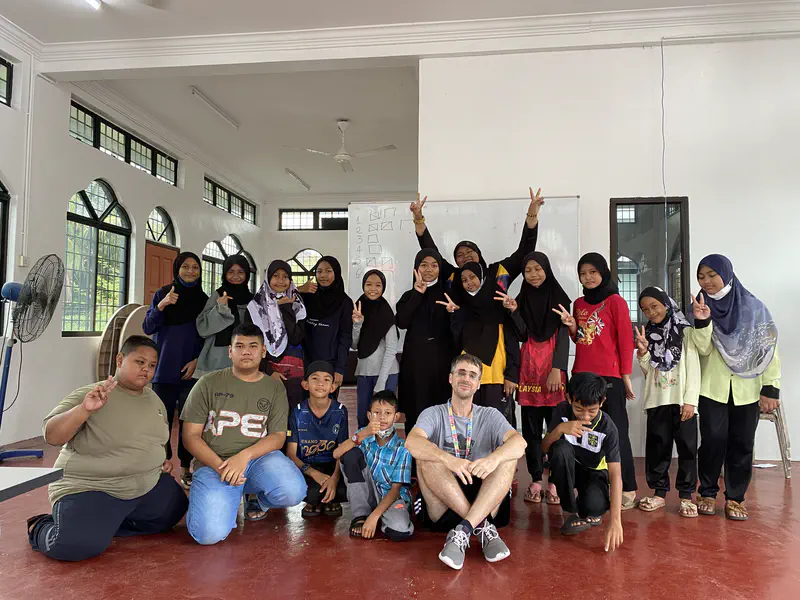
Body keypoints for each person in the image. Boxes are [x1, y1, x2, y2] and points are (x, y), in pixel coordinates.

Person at [27, 336, 188, 562]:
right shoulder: (94, 393)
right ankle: (41, 526)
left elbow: (152, 438)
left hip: (141, 485)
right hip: (93, 486)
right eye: (139, 362)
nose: (146, 370)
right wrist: (84, 410)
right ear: (120, 360)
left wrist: (158, 460)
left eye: (152, 365)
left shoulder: (154, 400)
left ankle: (102, 525)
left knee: (173, 510)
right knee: (71, 545)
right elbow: (52, 435)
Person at [181, 323, 307, 544]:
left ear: (263, 351)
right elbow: (190, 436)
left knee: (293, 491)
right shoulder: (207, 383)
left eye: (252, 346)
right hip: (215, 464)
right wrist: (223, 466)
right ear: (230, 351)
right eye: (239, 346)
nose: (246, 351)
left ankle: (255, 497)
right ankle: (216, 499)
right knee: (208, 536)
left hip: (258, 460)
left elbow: (277, 437)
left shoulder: (274, 387)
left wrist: (244, 457)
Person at [405, 353, 527, 571]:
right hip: (443, 501)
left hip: (486, 501)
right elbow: (411, 442)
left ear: (478, 384)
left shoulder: (490, 415)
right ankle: (482, 529)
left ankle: (464, 529)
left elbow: (520, 444)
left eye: (472, 375)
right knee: (426, 456)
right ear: (450, 378)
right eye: (461, 373)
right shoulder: (433, 413)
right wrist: (448, 460)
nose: (466, 378)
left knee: (508, 457)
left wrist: (493, 459)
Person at [691, 255, 780, 521]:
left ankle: (736, 498)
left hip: (747, 389)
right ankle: (707, 492)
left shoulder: (753, 308)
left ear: (726, 274)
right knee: (712, 441)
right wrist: (703, 321)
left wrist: (770, 388)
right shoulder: (700, 305)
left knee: (742, 443)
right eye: (701, 276)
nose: (706, 282)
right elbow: (702, 348)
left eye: (711, 275)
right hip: (712, 388)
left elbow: (769, 348)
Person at [553, 253, 638, 509]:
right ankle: (590, 483)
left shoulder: (616, 302)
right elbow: (582, 338)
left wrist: (626, 377)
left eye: (592, 272)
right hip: (581, 374)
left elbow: (625, 341)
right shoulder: (579, 303)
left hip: (610, 376)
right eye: (583, 273)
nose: (588, 278)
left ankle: (628, 487)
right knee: (583, 431)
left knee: (617, 432)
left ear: (603, 273)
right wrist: (570, 326)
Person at [501, 251, 570, 505]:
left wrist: (557, 369)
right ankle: (535, 479)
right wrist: (514, 311)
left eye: (537, 269)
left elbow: (564, 335)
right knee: (530, 429)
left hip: (553, 371)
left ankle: (554, 481)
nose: (533, 274)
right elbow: (521, 333)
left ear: (546, 269)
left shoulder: (560, 297)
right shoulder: (523, 298)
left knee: (555, 429)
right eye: (528, 270)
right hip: (529, 368)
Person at [142, 251, 208, 489]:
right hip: (164, 369)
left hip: (190, 371)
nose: (191, 271)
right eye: (186, 267)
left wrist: (197, 361)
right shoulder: (164, 294)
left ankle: (185, 467)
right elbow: (148, 326)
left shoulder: (203, 300)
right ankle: (160, 466)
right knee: (162, 421)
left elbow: (207, 336)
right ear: (177, 269)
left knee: (189, 422)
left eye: (195, 268)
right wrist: (162, 304)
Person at [635, 287, 701, 517]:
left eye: (655, 306)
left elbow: (694, 369)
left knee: (687, 450)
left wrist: (691, 401)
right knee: (657, 449)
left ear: (666, 303)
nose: (651, 312)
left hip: (682, 401)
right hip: (657, 400)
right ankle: (659, 493)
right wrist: (643, 352)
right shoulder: (650, 333)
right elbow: (648, 371)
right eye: (645, 309)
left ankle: (686, 496)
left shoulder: (685, 331)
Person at [541, 372, 624, 552]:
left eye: (592, 411)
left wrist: (616, 520)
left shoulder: (608, 428)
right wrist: (560, 429)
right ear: (569, 398)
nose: (585, 417)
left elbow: (615, 474)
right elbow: (545, 448)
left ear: (602, 402)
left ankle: (588, 509)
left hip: (593, 473)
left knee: (594, 508)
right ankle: (571, 511)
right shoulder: (562, 410)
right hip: (568, 467)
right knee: (560, 449)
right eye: (579, 409)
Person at [408, 187, 544, 288]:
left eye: (469, 252)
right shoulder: (453, 276)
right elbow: (430, 250)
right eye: (460, 255)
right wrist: (418, 219)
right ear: (456, 261)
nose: (465, 256)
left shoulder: (498, 272)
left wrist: (532, 214)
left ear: (479, 254)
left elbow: (525, 251)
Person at [442, 261, 520, 422]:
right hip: (468, 377)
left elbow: (512, 342)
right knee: (468, 423)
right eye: (464, 280)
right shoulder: (462, 307)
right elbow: (457, 343)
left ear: (482, 277)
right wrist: (454, 315)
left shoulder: (500, 305)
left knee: (498, 426)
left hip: (496, 376)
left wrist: (511, 375)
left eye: (472, 277)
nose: (469, 283)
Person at [334, 390, 414, 541]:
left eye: (388, 413)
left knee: (400, 532)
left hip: (391, 497)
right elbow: (337, 454)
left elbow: (396, 489)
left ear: (396, 417)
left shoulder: (403, 448)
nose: (382, 417)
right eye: (377, 412)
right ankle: (360, 515)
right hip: (368, 493)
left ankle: (376, 516)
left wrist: (375, 517)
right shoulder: (363, 436)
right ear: (369, 416)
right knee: (351, 455)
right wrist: (362, 434)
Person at [396, 249, 457, 432]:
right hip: (415, 368)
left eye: (434, 265)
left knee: (442, 418)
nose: (429, 269)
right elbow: (402, 322)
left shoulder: (449, 295)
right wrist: (418, 294)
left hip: (441, 366)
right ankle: (415, 460)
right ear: (416, 269)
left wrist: (454, 314)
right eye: (424, 265)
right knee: (415, 416)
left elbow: (458, 332)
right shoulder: (409, 296)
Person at [286, 361, 349, 518]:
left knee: (344, 490)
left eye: (327, 379)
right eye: (315, 379)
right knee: (311, 494)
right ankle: (316, 500)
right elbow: (291, 455)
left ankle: (332, 498)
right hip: (308, 467)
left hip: (332, 466)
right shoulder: (297, 412)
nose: (321, 383)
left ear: (333, 387)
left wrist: (334, 479)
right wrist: (314, 474)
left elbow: (342, 449)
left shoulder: (340, 411)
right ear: (305, 384)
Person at [248, 259, 307, 405]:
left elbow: (296, 338)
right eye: (276, 276)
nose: (281, 281)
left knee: (292, 411)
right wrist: (268, 371)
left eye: (285, 276)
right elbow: (250, 343)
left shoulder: (297, 304)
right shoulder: (256, 307)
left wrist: (286, 308)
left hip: (293, 372)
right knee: (266, 410)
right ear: (268, 278)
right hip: (265, 369)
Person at [298, 255, 353, 399]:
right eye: (319, 271)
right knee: (306, 406)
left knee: (328, 406)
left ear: (336, 273)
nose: (323, 275)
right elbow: (282, 305)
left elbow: (345, 337)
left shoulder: (344, 302)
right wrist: (298, 290)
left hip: (331, 364)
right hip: (306, 362)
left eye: (328, 271)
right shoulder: (307, 296)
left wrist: (340, 369)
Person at [351, 269, 400, 428]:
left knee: (384, 421)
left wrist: (381, 381)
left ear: (383, 287)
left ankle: (385, 452)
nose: (373, 288)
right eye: (368, 284)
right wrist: (357, 324)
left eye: (378, 285)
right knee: (363, 419)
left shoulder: (386, 313)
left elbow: (391, 349)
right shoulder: (359, 307)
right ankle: (364, 452)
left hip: (386, 373)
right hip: (364, 372)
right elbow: (353, 345)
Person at [195, 254, 254, 378]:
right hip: (218, 358)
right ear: (225, 273)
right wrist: (220, 308)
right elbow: (202, 327)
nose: (235, 276)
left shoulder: (252, 300)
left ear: (247, 274)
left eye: (240, 272)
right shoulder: (218, 295)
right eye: (231, 271)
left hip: (246, 355)